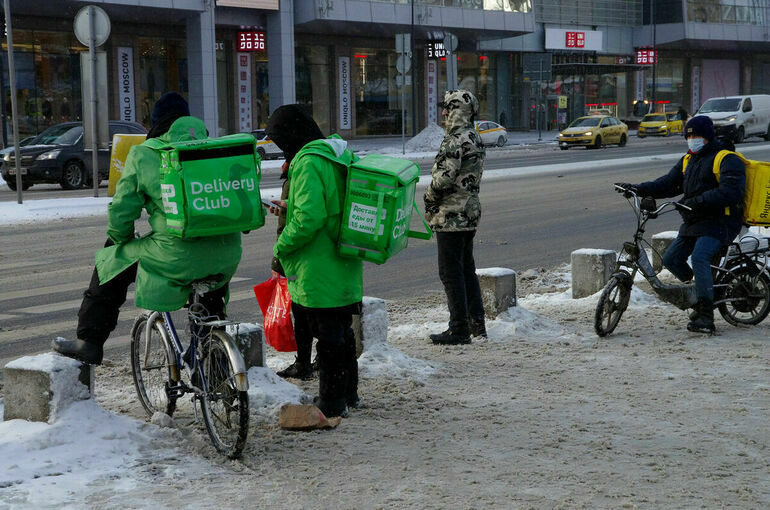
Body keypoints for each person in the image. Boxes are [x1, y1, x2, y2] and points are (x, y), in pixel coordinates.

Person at [52, 92, 242, 364]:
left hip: (175, 256)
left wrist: (119, 239)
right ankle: (215, 355)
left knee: (112, 260)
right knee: (209, 279)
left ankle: (89, 341)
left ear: (156, 122)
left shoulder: (145, 154)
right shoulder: (213, 149)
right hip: (227, 253)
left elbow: (123, 210)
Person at [266, 104, 363, 418]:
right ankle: (348, 393)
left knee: (328, 334)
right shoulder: (335, 153)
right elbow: (329, 201)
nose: (280, 146)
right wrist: (288, 205)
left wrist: (282, 245)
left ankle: (331, 402)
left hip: (319, 262)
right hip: (343, 255)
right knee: (342, 330)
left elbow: (309, 219)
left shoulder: (307, 162)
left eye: (279, 139)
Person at [616, 115, 745, 333]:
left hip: (721, 221)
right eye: (689, 136)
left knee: (700, 257)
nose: (692, 140)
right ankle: (701, 291)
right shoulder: (689, 159)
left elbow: (731, 192)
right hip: (695, 219)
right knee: (671, 259)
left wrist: (698, 201)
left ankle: (706, 315)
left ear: (707, 136)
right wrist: (638, 188)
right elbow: (667, 184)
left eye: (696, 136)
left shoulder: (727, 158)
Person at [424, 89, 487, 345]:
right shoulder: (474, 136)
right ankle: (477, 324)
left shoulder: (454, 140)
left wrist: (428, 197)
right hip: (469, 212)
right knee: (466, 270)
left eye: (448, 108)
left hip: (451, 215)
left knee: (451, 273)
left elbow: (444, 179)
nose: (443, 113)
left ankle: (458, 329)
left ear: (457, 111)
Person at [269, 158, 315, 381]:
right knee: (319, 314)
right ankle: (315, 362)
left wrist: (278, 258)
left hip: (300, 257)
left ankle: (305, 364)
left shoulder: (301, 169)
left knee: (304, 312)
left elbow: (295, 224)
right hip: (313, 257)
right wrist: (284, 209)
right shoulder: (311, 165)